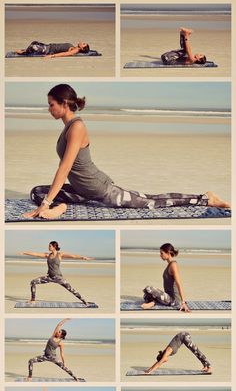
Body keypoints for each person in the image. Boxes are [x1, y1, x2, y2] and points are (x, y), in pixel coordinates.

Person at [22, 83, 230, 221]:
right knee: (36, 192)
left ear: (64, 104)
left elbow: (65, 167)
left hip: (100, 189)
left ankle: (205, 198)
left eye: (51, 105)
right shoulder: (67, 127)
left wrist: (46, 204)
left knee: (151, 202)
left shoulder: (77, 127)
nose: (49, 109)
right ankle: (62, 207)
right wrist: (46, 200)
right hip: (82, 190)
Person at [19, 241, 93, 305]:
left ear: (54, 246)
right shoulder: (47, 255)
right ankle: (33, 300)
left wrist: (83, 257)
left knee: (72, 290)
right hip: (49, 277)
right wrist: (24, 252)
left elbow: (73, 256)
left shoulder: (60, 255)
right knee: (33, 282)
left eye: (50, 246)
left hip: (58, 278)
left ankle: (84, 302)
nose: (48, 247)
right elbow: (36, 254)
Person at [141, 243, 189, 312]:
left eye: (162, 253)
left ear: (168, 253)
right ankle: (153, 302)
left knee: (148, 288)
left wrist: (183, 302)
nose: (160, 255)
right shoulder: (169, 264)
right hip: (167, 297)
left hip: (174, 300)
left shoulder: (173, 265)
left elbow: (179, 284)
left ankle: (153, 303)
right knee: (145, 295)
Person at [144, 331, 212, 375]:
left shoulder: (167, 352)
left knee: (196, 351)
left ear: (163, 357)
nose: (165, 361)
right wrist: (149, 369)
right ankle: (205, 366)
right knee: (195, 351)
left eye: (164, 360)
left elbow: (159, 363)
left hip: (184, 336)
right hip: (181, 337)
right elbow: (158, 361)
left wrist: (150, 371)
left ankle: (209, 366)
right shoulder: (165, 353)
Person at [14, 41, 90, 57]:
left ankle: (24, 52)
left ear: (82, 49)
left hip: (48, 50)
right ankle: (27, 51)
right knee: (34, 42)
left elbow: (64, 54)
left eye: (83, 44)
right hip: (48, 46)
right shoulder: (74, 47)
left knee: (33, 46)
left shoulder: (75, 50)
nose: (82, 42)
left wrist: (51, 56)